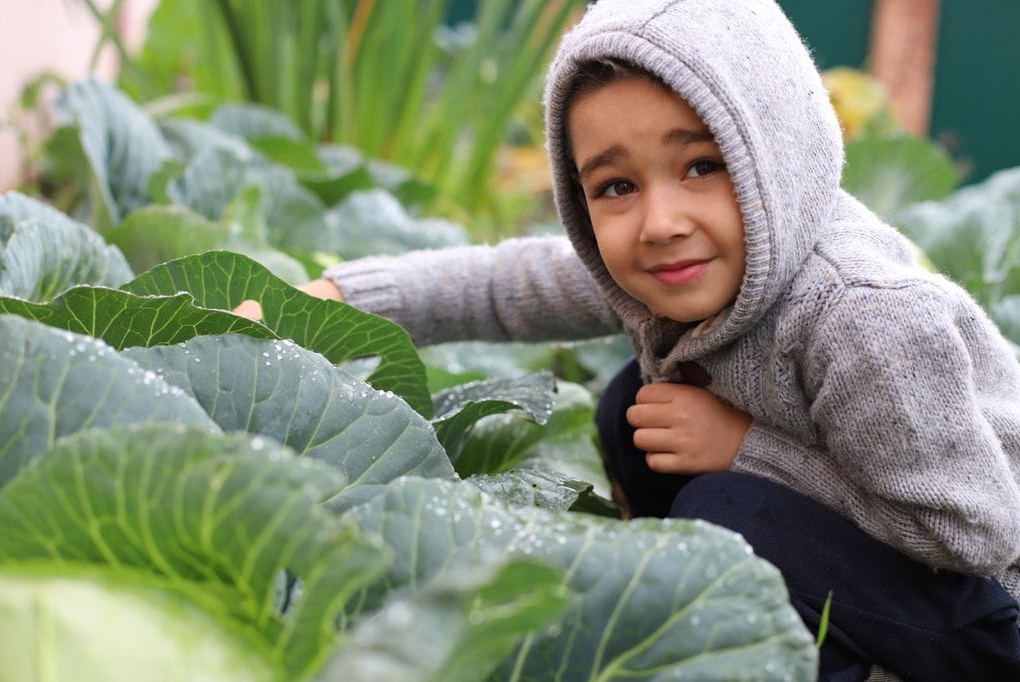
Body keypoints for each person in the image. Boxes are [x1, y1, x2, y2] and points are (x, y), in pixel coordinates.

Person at [236, 0, 1020, 678]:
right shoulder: (673, 267)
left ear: (779, 157)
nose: (660, 222)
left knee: (727, 506)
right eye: (616, 185)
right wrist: (341, 295)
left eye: (704, 166)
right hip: (868, 534)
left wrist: (747, 449)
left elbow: (971, 530)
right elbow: (508, 286)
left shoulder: (866, 317)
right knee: (636, 410)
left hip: (991, 601)